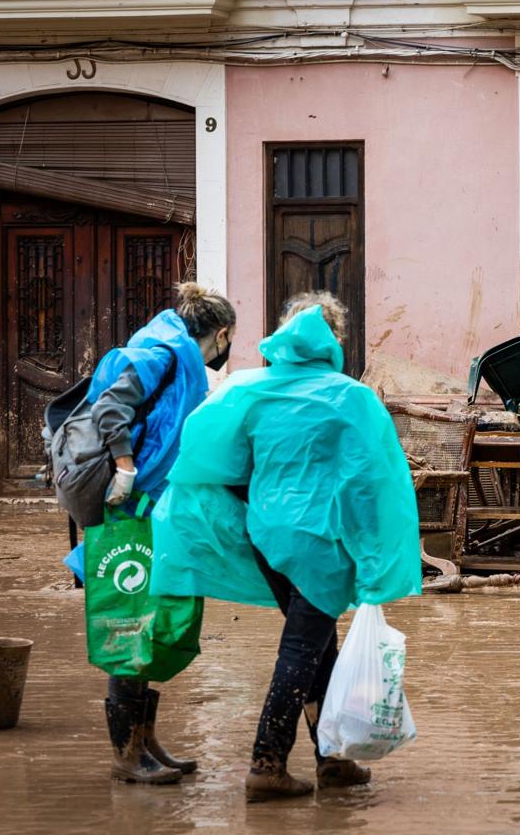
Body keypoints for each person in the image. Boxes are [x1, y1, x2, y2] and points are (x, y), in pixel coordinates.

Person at [150, 291, 421, 802]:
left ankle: (333, 760)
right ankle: (267, 761)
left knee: (319, 648)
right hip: (322, 542)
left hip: (268, 536)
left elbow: (209, 460)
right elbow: (372, 484)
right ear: (333, 340)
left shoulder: (248, 391)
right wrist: (376, 561)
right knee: (302, 649)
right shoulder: (351, 398)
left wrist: (261, 504)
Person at [82, 282, 237, 785]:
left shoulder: (168, 348)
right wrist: (125, 467)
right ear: (223, 333)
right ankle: (127, 754)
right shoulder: (164, 353)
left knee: (148, 616)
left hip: (151, 508)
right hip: (132, 507)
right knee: (130, 618)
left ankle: (145, 742)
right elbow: (109, 408)